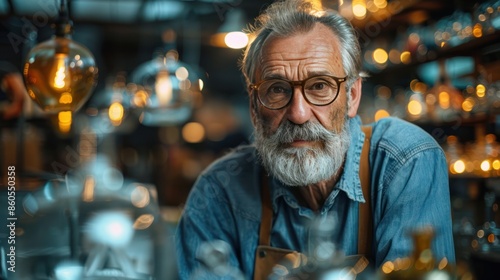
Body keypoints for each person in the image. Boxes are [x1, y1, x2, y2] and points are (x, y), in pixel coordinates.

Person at [175, 0, 455, 279]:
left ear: (352, 96)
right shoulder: (219, 191)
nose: (298, 114)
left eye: (320, 86)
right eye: (277, 90)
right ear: (253, 107)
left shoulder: (406, 161)